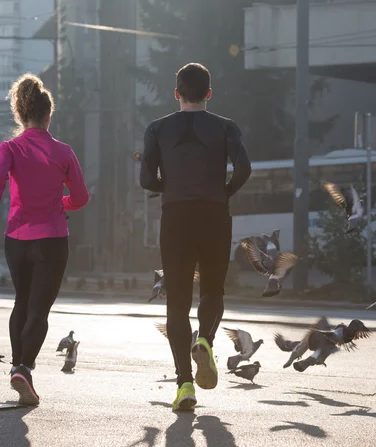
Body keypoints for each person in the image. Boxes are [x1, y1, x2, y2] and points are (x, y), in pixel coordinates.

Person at [139, 63, 251, 411]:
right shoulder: (226, 127)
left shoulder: (157, 129)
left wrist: (167, 187)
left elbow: (145, 179)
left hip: (175, 217)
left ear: (177, 94)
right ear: (209, 93)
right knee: (213, 290)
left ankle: (185, 383)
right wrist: (224, 192)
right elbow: (244, 168)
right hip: (215, 215)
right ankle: (205, 338)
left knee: (177, 301)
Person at [0, 73, 89, 406]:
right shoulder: (63, 151)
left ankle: (17, 366)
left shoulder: (9, 148)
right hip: (53, 239)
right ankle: (25, 368)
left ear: (20, 114)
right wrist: (62, 203)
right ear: (48, 115)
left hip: (16, 238)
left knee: (22, 302)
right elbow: (81, 197)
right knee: (39, 309)